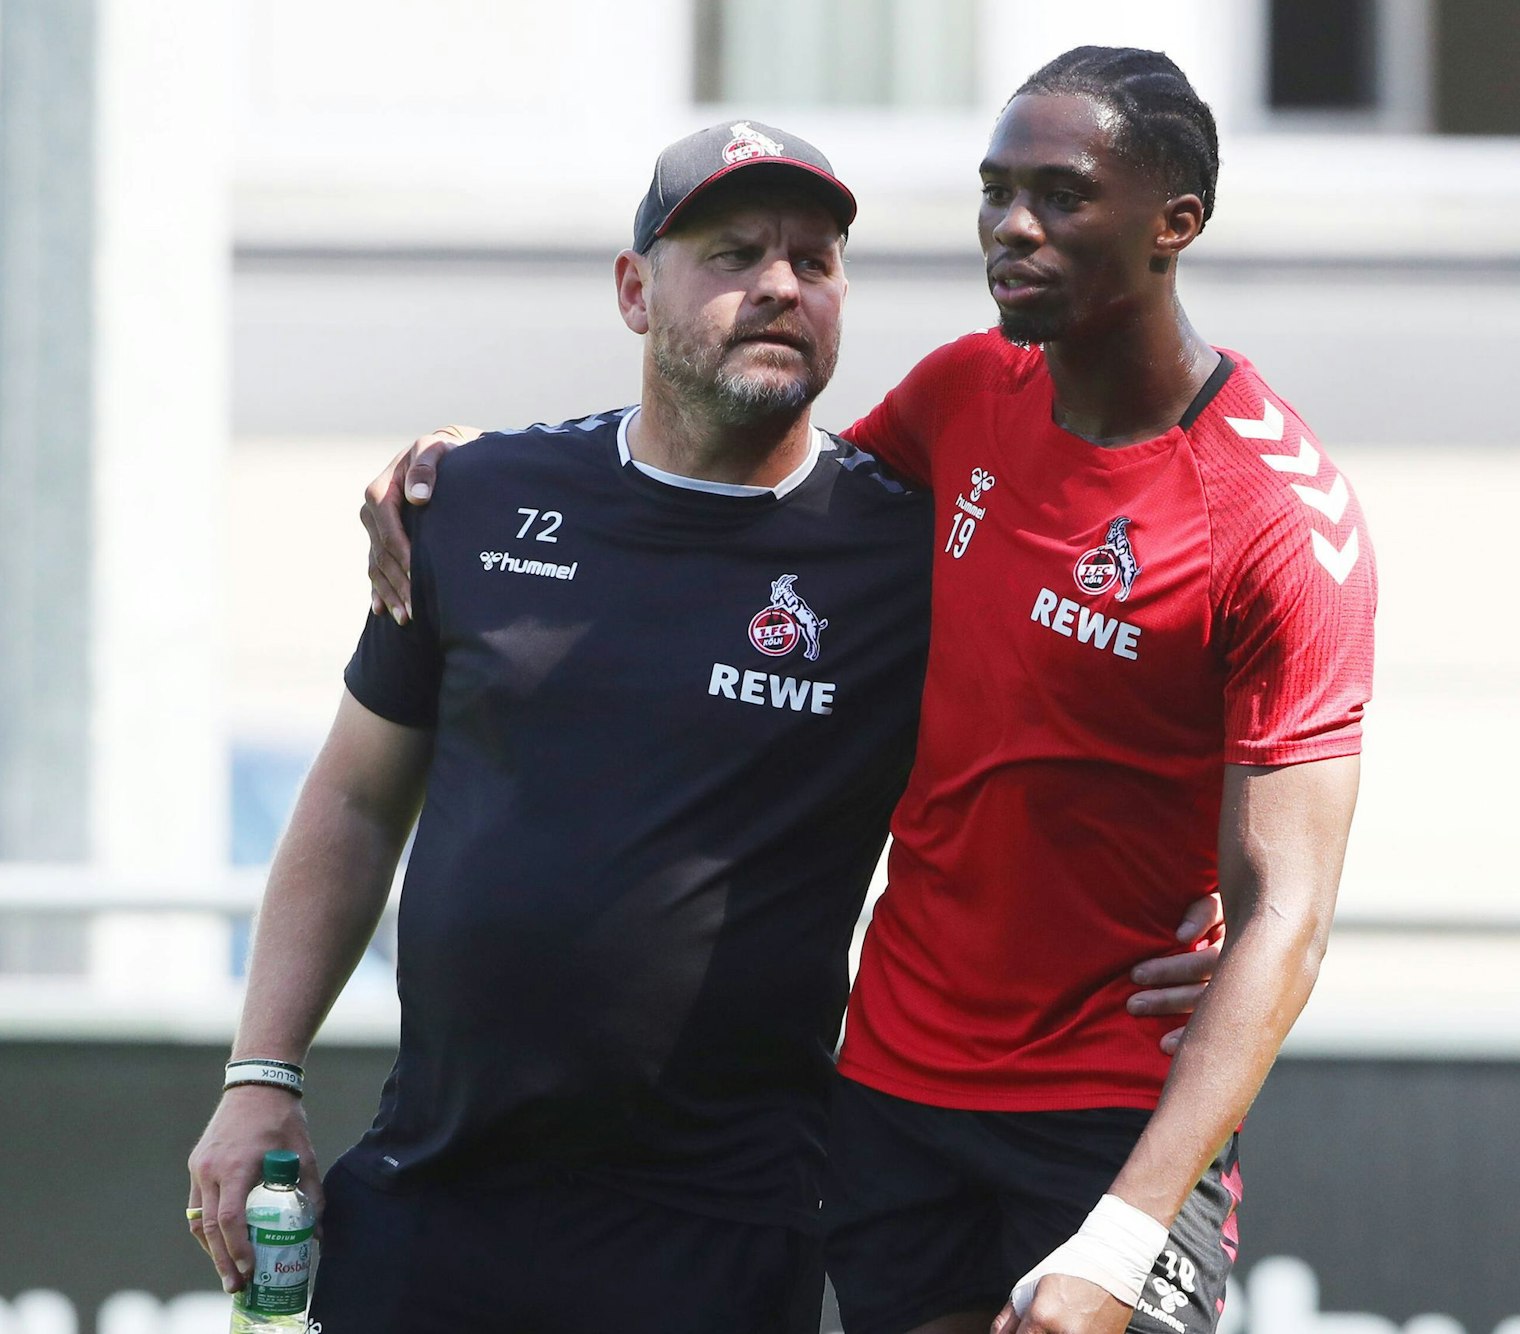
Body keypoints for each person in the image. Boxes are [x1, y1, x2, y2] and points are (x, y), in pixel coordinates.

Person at [363, 47, 1373, 1334]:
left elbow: (1289, 904)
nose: (1012, 225)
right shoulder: (967, 391)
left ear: (1177, 222)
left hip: (1111, 1112)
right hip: (897, 1089)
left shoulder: (1279, 517)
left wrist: (1123, 1235)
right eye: (994, 190)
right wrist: (491, 468)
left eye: (1060, 195)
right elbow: (749, 482)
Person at [188, 117, 1221, 1334]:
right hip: (436, 1193)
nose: (780, 284)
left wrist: (1194, 900)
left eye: (815, 261)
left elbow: (1087, 719)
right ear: (635, 291)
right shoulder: (468, 500)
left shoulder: (914, 547)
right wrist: (262, 1074)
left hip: (725, 1226)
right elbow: (356, 800)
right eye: (733, 253)